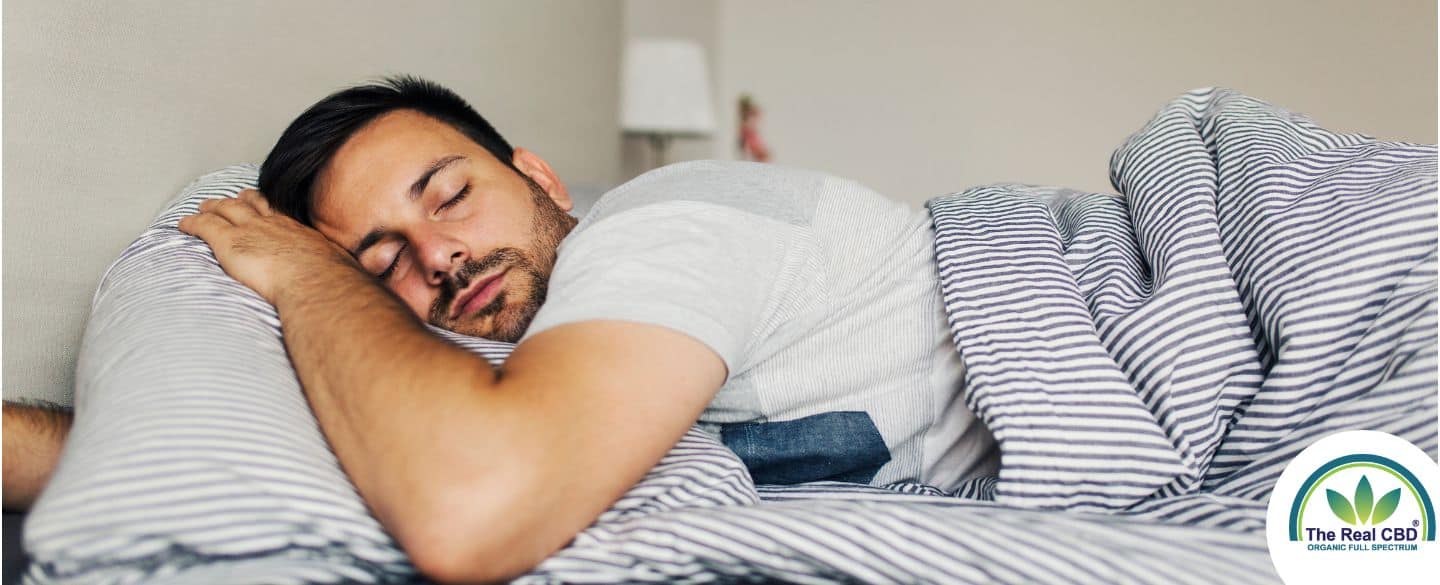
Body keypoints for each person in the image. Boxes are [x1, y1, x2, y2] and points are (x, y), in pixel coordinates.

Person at [2, 76, 997, 583]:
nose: (439, 258)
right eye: (380, 263)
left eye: (450, 195)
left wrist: (309, 272)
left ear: (544, 181)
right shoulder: (511, 357)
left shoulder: (669, 222)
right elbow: (229, 457)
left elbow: (472, 510)